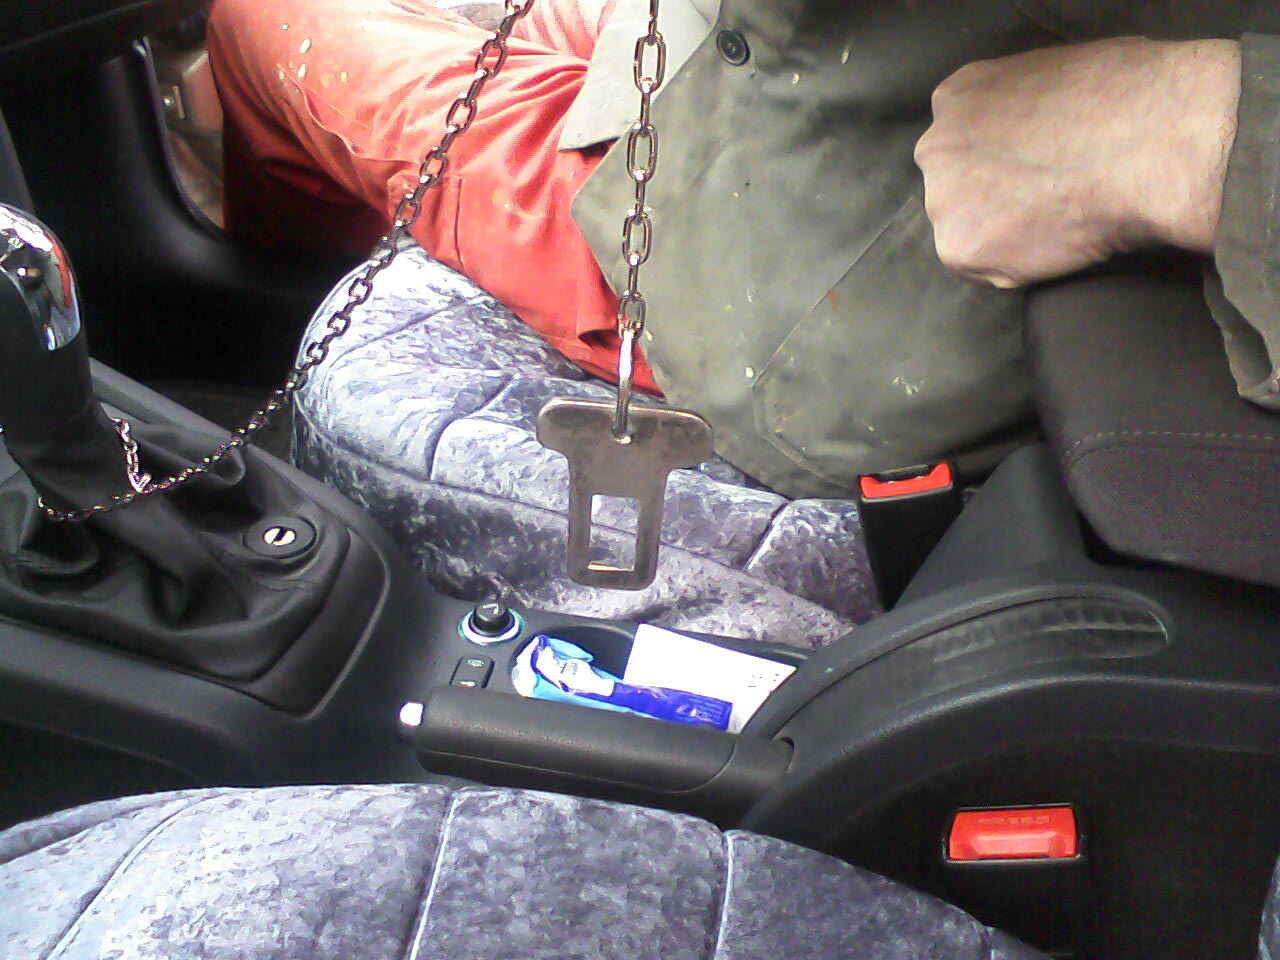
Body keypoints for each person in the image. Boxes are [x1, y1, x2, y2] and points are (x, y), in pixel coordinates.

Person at [207, 0, 1280, 501]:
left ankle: (246, 319)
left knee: (261, 19)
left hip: (781, 262)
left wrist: (1191, 132)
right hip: (774, 59)